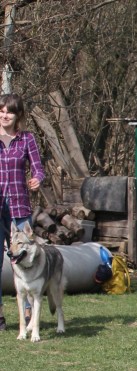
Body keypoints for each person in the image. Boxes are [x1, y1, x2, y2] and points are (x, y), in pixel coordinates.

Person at [0, 93, 45, 332]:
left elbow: (39, 168)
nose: (4, 115)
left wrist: (37, 179)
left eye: (9, 112)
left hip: (19, 209)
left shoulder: (26, 139)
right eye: (1, 111)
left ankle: (29, 315)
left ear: (18, 115)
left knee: (27, 260)